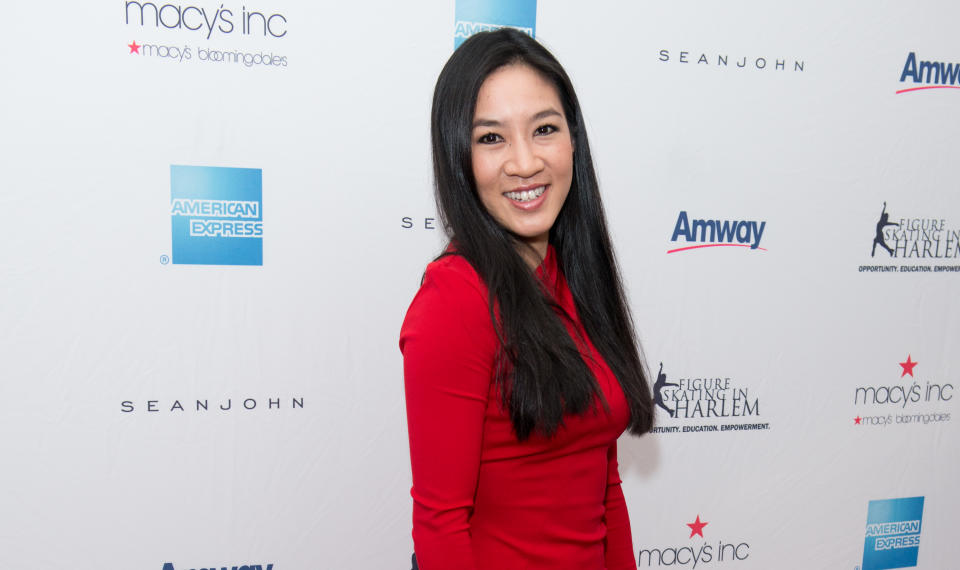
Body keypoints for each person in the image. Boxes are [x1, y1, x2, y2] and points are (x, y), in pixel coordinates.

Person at [400, 28, 654, 570]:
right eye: (491, 138)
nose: (524, 162)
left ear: (572, 142)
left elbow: (604, 488)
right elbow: (440, 525)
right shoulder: (456, 299)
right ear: (458, 156)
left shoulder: (578, 275)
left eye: (543, 129)